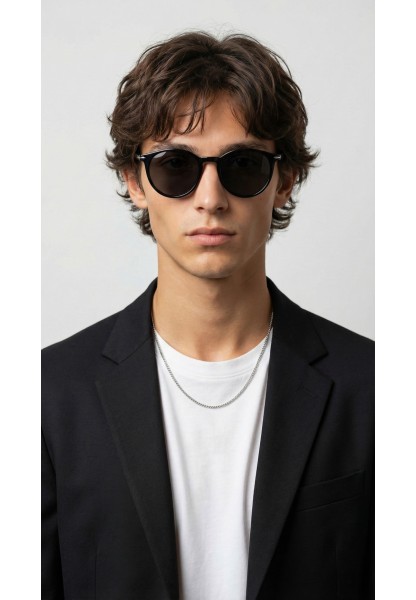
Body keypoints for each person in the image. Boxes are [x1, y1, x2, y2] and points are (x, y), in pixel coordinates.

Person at [42, 31, 374, 600]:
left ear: (284, 180)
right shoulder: (48, 395)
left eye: (243, 165)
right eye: (176, 166)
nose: (211, 198)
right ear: (134, 181)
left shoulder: (374, 388)